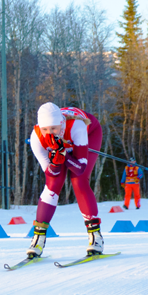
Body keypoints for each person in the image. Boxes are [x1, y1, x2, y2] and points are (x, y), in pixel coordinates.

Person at [28, 103, 104, 258]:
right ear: (39, 127)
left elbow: (80, 167)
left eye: (54, 129)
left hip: (90, 133)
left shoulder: (76, 126)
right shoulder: (36, 137)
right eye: (45, 129)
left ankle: (95, 237)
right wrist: (57, 159)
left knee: (79, 181)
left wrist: (64, 154)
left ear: (61, 123)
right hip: (65, 146)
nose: (50, 133)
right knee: (52, 185)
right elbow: (51, 174)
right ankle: (38, 239)